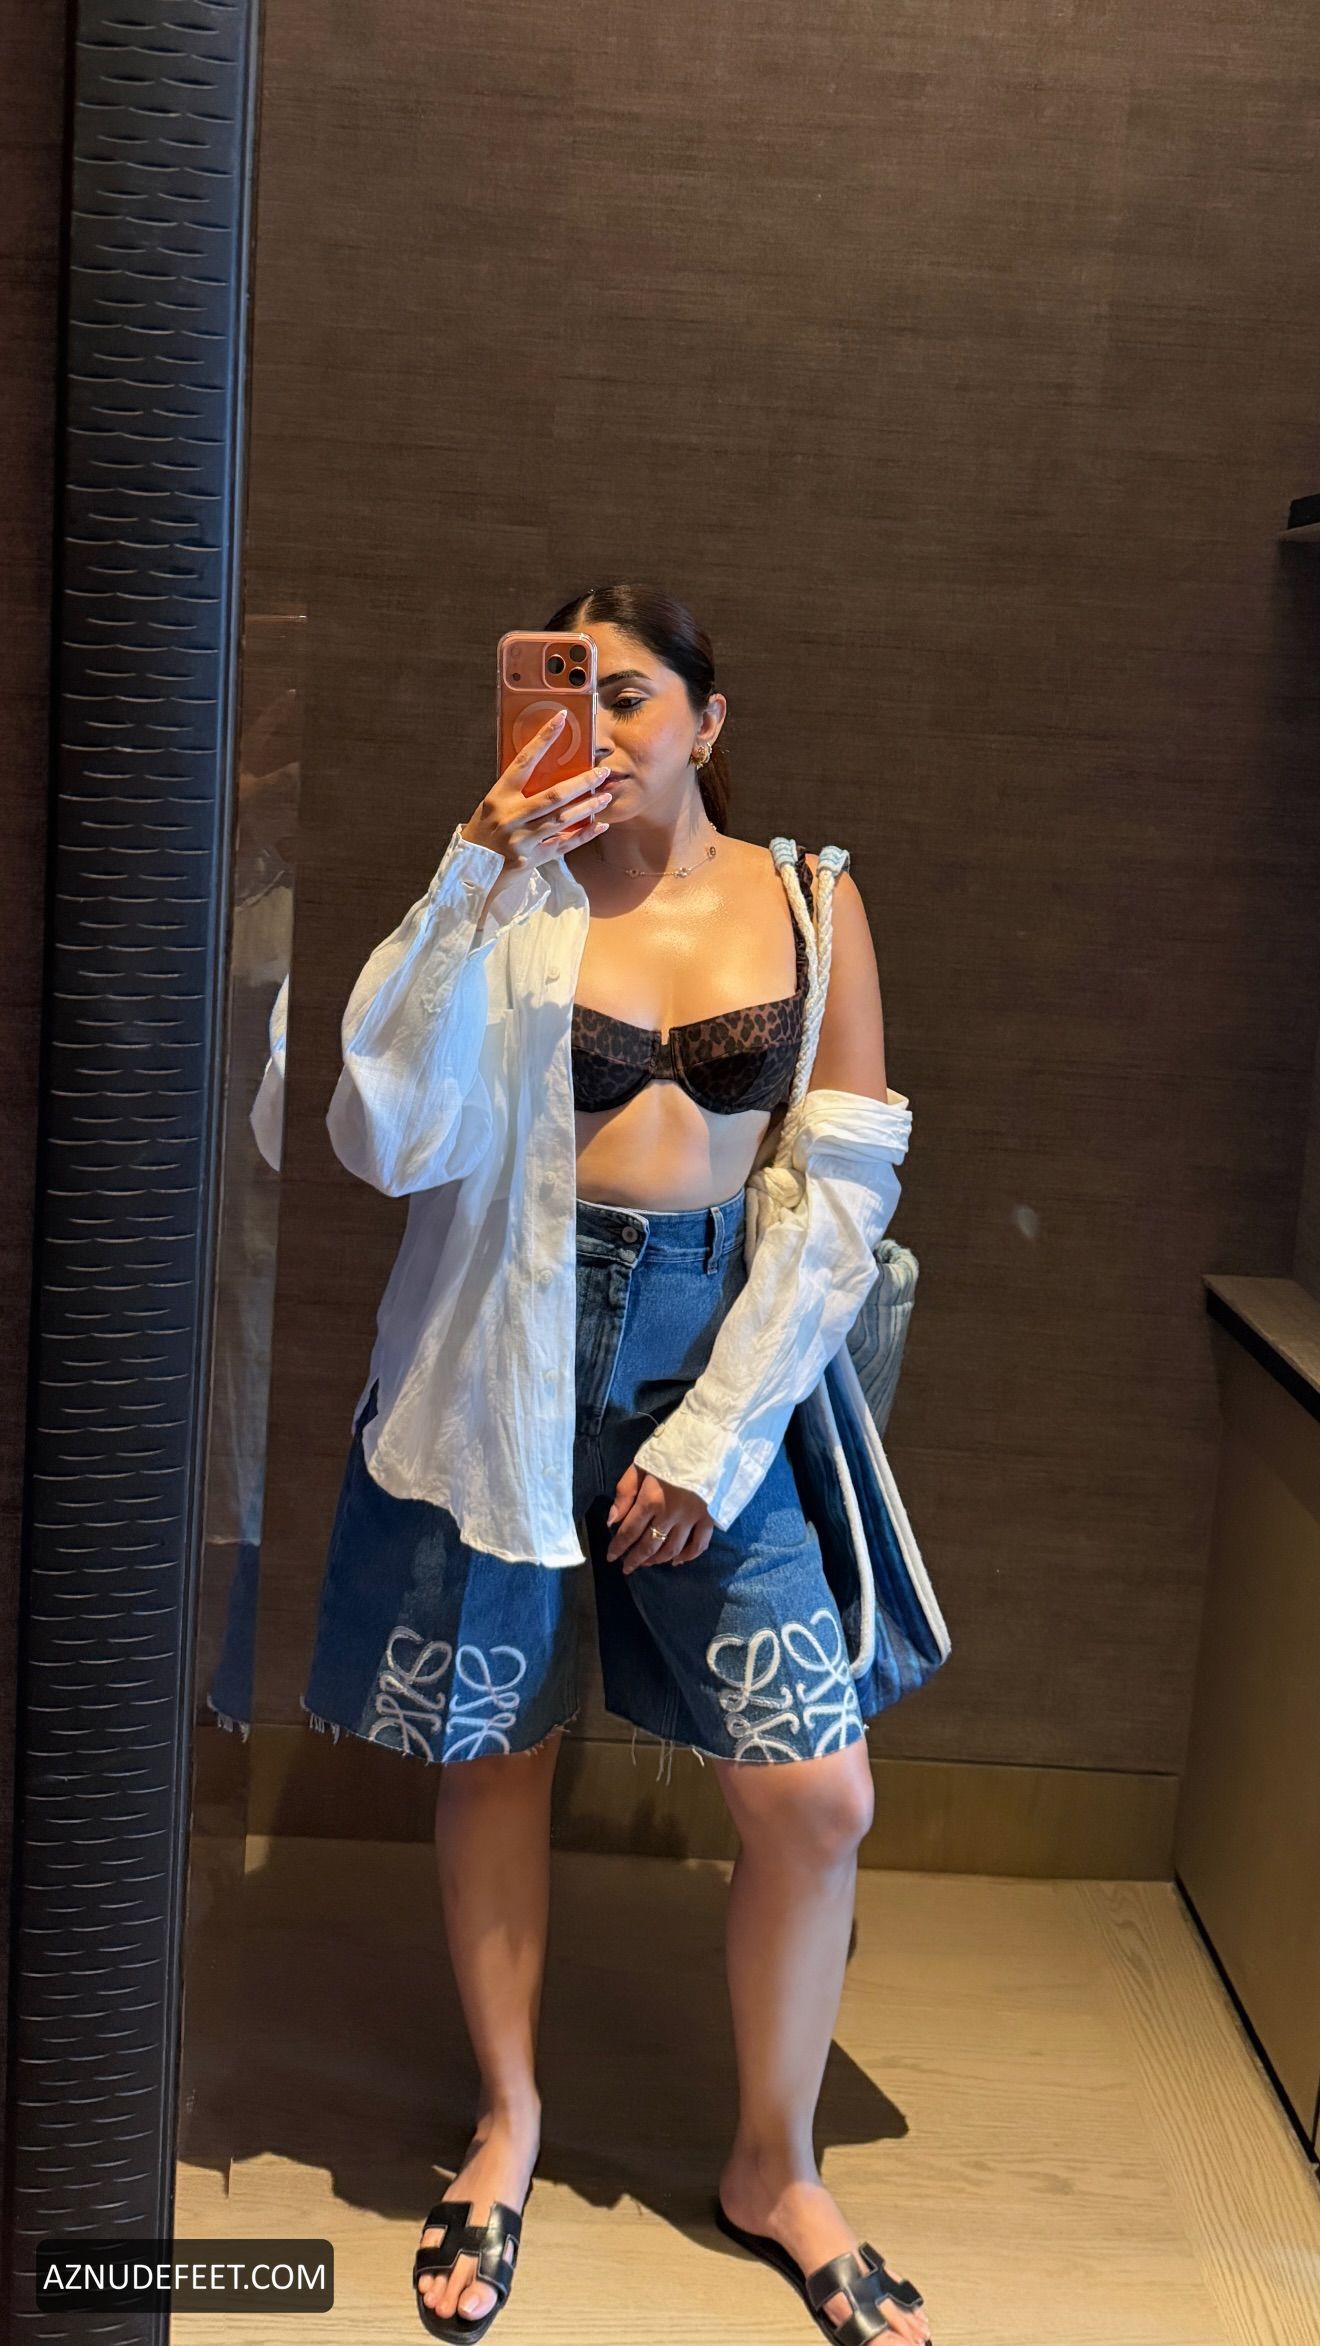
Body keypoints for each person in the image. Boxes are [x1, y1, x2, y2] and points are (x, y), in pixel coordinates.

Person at [302, 583, 934, 2345]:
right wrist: (475, 864)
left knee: (816, 1793)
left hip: (717, 1353)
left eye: (632, 692)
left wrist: (718, 1434)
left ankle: (774, 2163)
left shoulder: (809, 900)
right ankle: (506, 2121)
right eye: (565, 690)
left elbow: (843, 1191)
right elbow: (375, 1128)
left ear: (710, 721)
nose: (597, 727)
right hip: (505, 1353)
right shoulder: (508, 898)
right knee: (497, 1746)